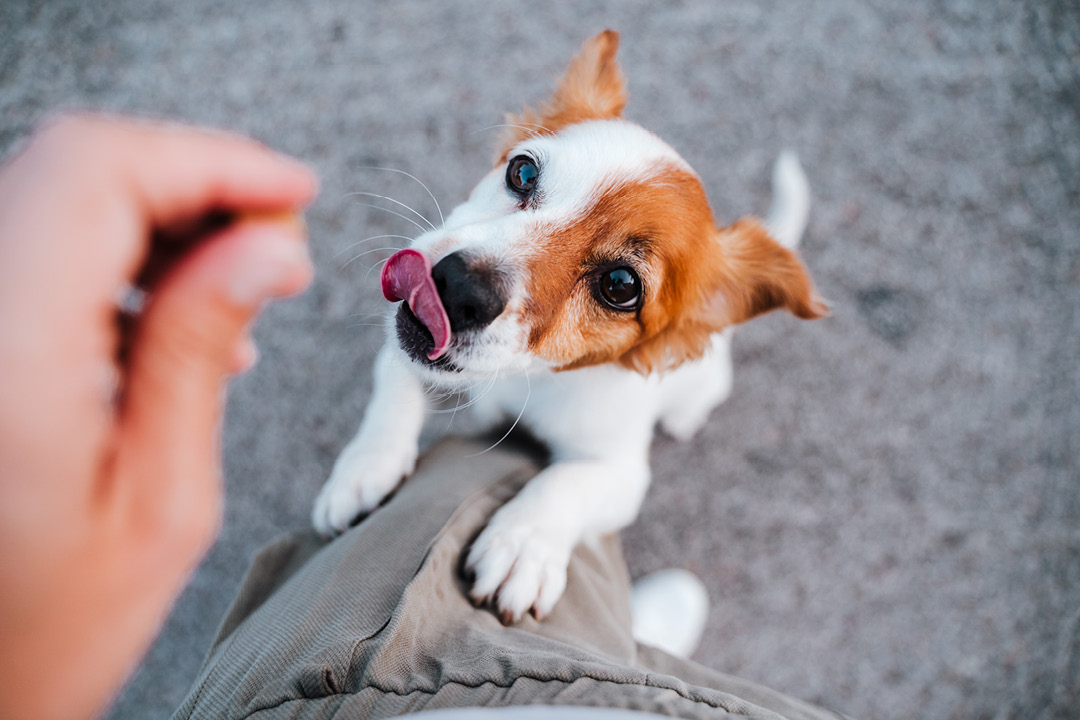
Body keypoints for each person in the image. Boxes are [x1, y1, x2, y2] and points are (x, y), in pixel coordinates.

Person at [0, 114, 844, 720]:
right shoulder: (473, 285)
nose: (480, 275)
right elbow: (403, 358)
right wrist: (387, 431)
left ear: (677, 324)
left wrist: (550, 515)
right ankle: (625, 648)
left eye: (616, 285)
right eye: (525, 179)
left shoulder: (649, 367)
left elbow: (616, 472)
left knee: (691, 404)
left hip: (635, 397)